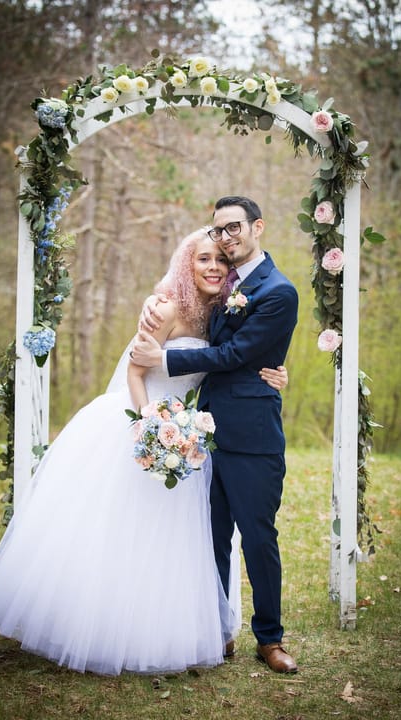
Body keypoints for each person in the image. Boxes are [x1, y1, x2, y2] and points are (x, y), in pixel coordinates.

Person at [0, 228, 288, 676]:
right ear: (187, 264)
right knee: (115, 529)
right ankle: (94, 625)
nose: (213, 266)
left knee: (170, 538)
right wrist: (151, 425)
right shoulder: (166, 308)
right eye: (202, 259)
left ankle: (169, 625)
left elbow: (235, 356)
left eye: (220, 259)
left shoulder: (220, 315)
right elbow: (136, 373)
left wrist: (276, 373)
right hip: (136, 424)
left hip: (181, 434)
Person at [132, 197, 299, 673]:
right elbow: (188, 305)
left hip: (252, 434)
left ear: (257, 227)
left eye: (234, 228)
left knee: (258, 537)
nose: (227, 238)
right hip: (202, 432)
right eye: (219, 230)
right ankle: (217, 628)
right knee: (210, 537)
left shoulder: (277, 291)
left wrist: (164, 361)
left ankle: (270, 638)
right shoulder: (224, 283)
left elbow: (236, 354)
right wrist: (155, 297)